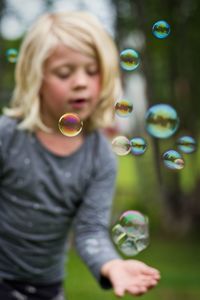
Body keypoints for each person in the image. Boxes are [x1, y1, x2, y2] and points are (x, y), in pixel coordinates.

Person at [0, 11, 160, 300]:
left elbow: (90, 230)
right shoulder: (8, 136)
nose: (80, 82)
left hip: (47, 290)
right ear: (36, 78)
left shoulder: (99, 157)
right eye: (64, 72)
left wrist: (112, 265)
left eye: (92, 70)